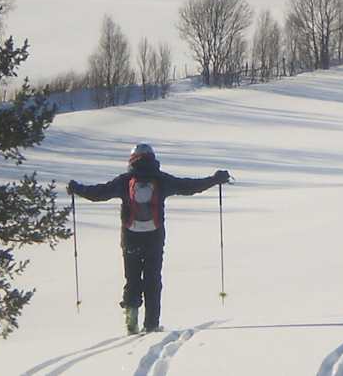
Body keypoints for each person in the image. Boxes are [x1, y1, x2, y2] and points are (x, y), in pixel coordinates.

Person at [67, 143, 230, 334]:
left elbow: (99, 193)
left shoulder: (125, 180)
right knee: (152, 279)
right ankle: (152, 324)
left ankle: (131, 322)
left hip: (130, 238)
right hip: (154, 237)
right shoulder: (161, 180)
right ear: (152, 158)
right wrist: (214, 179)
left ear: (132, 159)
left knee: (132, 278)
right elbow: (189, 187)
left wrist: (77, 188)